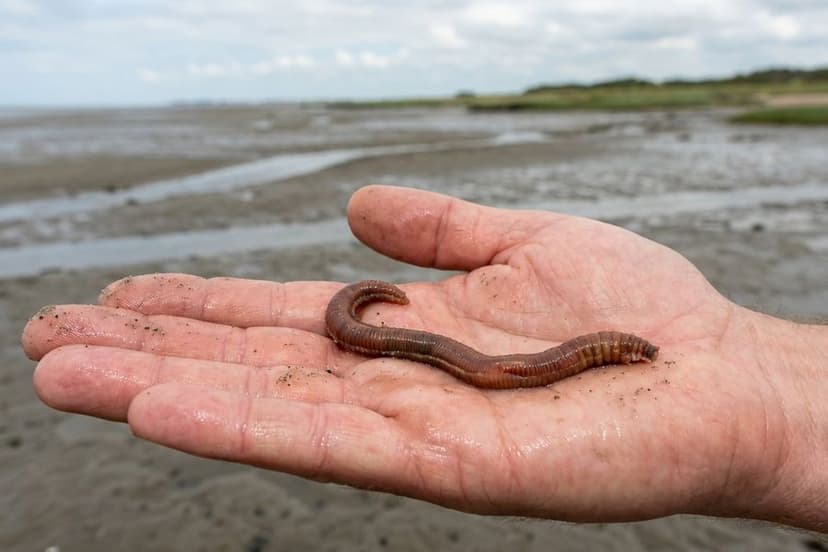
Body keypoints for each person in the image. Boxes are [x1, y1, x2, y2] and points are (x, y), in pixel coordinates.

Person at [21, 185, 828, 532]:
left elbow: (499, 369)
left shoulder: (591, 354)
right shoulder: (377, 325)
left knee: (474, 360)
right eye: (621, 351)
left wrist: (768, 393)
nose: (620, 356)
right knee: (454, 354)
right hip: (421, 340)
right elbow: (455, 358)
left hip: (461, 353)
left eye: (615, 353)